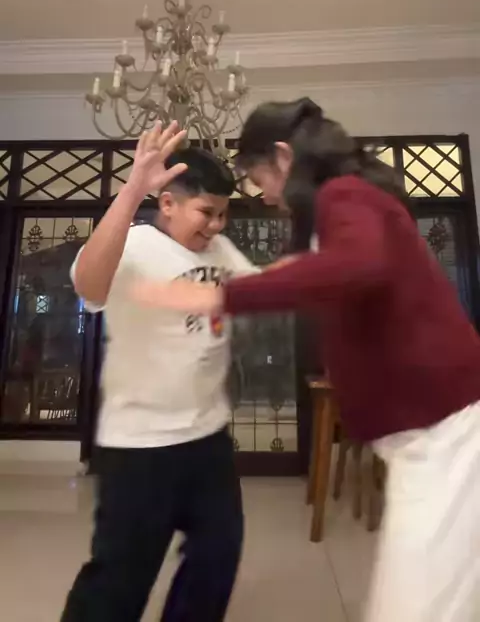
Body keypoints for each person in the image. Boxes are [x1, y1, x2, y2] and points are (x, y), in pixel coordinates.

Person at [132, 99, 480, 622]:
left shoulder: (345, 194)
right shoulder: (340, 211)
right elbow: (339, 276)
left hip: (447, 428)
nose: (265, 196)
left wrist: (219, 296)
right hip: (428, 433)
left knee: (417, 606)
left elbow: (357, 266)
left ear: (283, 157)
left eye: (259, 180)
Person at [61, 122, 257, 622]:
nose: (216, 226)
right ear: (167, 203)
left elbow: (257, 290)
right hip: (140, 445)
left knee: (218, 556)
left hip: (207, 437)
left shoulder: (219, 250)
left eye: (223, 214)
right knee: (119, 580)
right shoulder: (136, 244)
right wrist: (132, 190)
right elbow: (89, 287)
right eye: (206, 213)